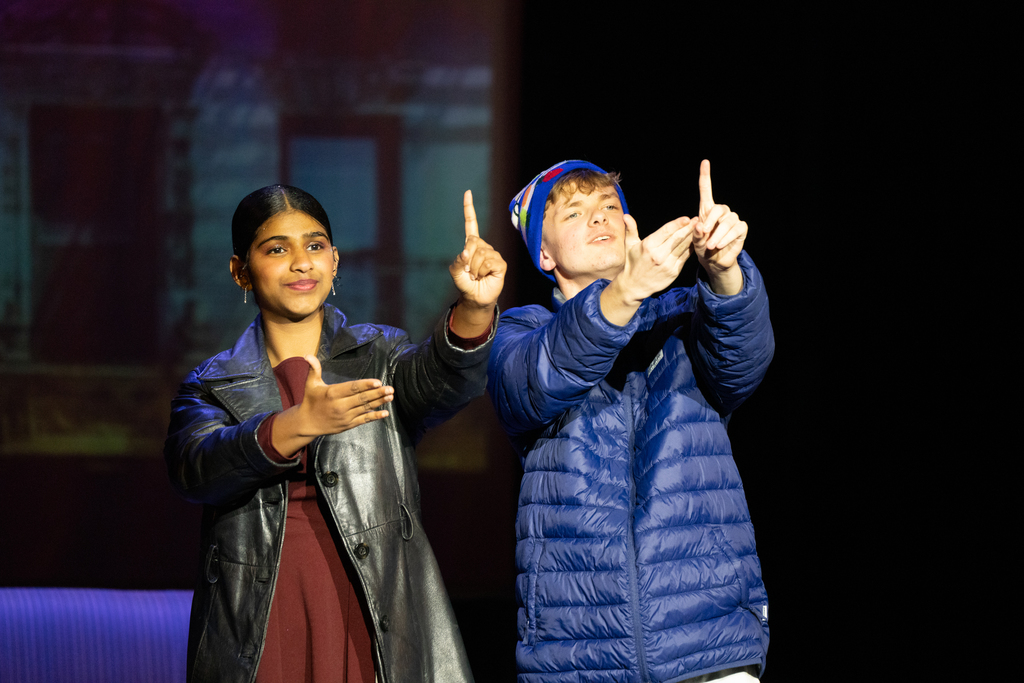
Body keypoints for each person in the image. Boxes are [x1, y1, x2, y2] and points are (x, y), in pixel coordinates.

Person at [165, 184, 504, 683]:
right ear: (240, 271)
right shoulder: (212, 384)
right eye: (277, 248)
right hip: (259, 618)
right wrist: (296, 425)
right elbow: (194, 467)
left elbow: (440, 381)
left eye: (316, 245)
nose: (302, 262)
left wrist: (474, 309)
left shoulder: (380, 356)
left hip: (370, 604)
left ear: (336, 260)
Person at [488, 160, 774, 682]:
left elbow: (742, 364)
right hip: (578, 656)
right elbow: (534, 382)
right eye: (575, 212)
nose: (600, 220)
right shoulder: (520, 332)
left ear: (630, 227)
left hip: (709, 645)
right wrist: (622, 295)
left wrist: (725, 271)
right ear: (543, 253)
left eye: (610, 209)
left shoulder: (682, 316)